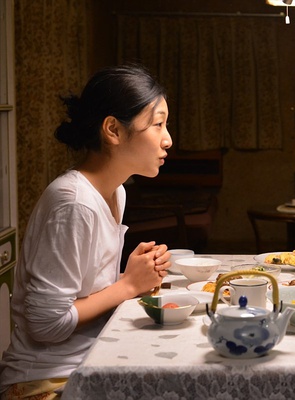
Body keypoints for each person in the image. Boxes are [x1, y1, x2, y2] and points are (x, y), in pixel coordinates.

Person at [0, 64, 173, 399]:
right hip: (45, 381)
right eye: (157, 124)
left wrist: (134, 275)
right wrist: (127, 285)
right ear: (113, 130)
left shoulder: (115, 192)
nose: (167, 139)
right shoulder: (74, 203)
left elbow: (83, 291)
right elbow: (46, 324)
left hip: (89, 364)